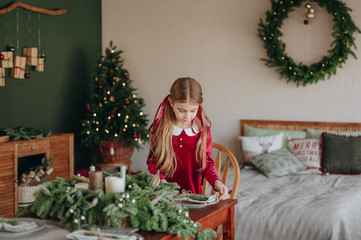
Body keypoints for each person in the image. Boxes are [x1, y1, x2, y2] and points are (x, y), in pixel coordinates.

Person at [147, 77, 228, 200]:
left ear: (199, 105)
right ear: (171, 102)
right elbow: (153, 162)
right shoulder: (161, 130)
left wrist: (217, 182)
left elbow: (208, 163)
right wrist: (162, 182)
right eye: (182, 110)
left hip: (194, 197)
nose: (187, 116)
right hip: (164, 196)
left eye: (193, 110)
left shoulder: (202, 131)